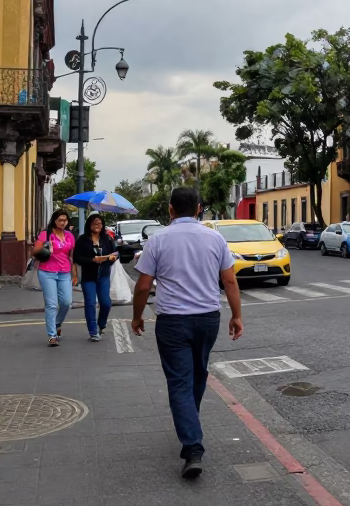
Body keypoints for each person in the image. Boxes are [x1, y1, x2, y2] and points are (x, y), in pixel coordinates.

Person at [131, 187, 244, 479]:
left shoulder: (157, 240)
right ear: (198, 209)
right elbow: (230, 281)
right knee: (198, 374)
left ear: (170, 210)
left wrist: (137, 316)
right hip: (208, 319)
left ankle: (192, 446)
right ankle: (189, 422)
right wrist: (237, 316)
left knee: (180, 382)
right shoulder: (215, 237)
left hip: (172, 322)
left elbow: (143, 286)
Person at [31, 209, 76, 347]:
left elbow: (71, 256)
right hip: (47, 272)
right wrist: (45, 249)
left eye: (65, 220)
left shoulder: (69, 236)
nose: (62, 223)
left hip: (64, 272)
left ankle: (57, 323)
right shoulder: (46, 234)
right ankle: (52, 335)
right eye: (60, 220)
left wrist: (74, 274)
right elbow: (34, 251)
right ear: (54, 220)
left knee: (67, 302)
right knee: (51, 305)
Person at [73, 213, 118, 342]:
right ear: (89, 225)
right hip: (88, 277)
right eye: (94, 223)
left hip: (103, 276)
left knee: (106, 303)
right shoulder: (82, 240)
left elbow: (115, 253)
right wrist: (92, 260)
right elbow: (77, 258)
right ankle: (93, 332)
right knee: (90, 303)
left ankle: (101, 325)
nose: (97, 225)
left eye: (99, 223)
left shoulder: (107, 239)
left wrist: (111, 258)